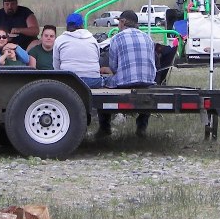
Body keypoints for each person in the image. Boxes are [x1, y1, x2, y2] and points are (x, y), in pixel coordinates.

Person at [97, 10, 156, 138]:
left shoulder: (116, 38)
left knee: (102, 88)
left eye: (119, 22)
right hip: (147, 80)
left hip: (125, 81)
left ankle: (105, 127)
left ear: (123, 22)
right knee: (146, 94)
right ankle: (142, 126)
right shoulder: (147, 37)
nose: (118, 25)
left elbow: (114, 67)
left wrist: (107, 70)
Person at [53, 13, 103, 88]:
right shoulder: (92, 39)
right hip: (93, 81)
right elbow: (97, 58)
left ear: (67, 25)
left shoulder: (60, 40)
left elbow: (56, 65)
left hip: (69, 80)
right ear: (82, 24)